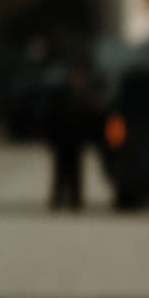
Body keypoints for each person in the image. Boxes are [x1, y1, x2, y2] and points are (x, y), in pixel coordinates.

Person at [44, 60, 98, 212]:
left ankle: (76, 201)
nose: (77, 81)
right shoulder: (60, 96)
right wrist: (51, 139)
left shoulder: (84, 97)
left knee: (76, 172)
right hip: (62, 140)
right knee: (60, 172)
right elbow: (51, 119)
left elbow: (89, 120)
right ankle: (57, 200)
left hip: (77, 141)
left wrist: (89, 138)